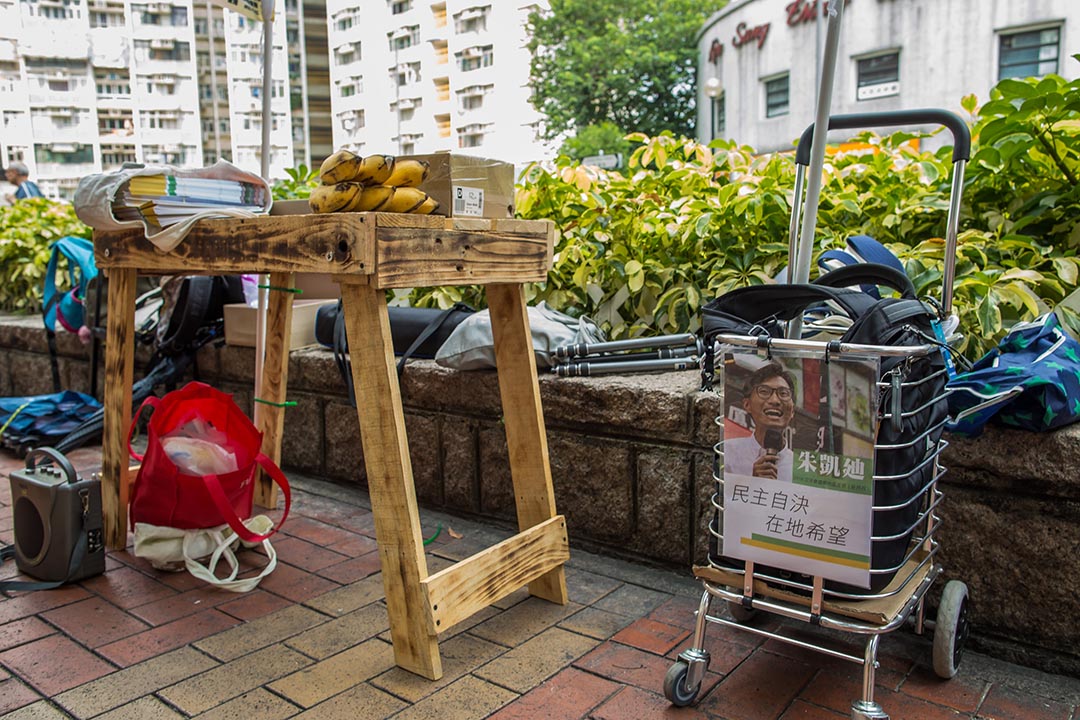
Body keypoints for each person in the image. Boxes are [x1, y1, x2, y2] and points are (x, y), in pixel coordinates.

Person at [723, 361, 796, 481]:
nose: (775, 401)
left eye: (783, 393)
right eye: (764, 392)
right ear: (747, 404)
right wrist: (752, 483)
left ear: (792, 411)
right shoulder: (728, 452)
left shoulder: (801, 468)